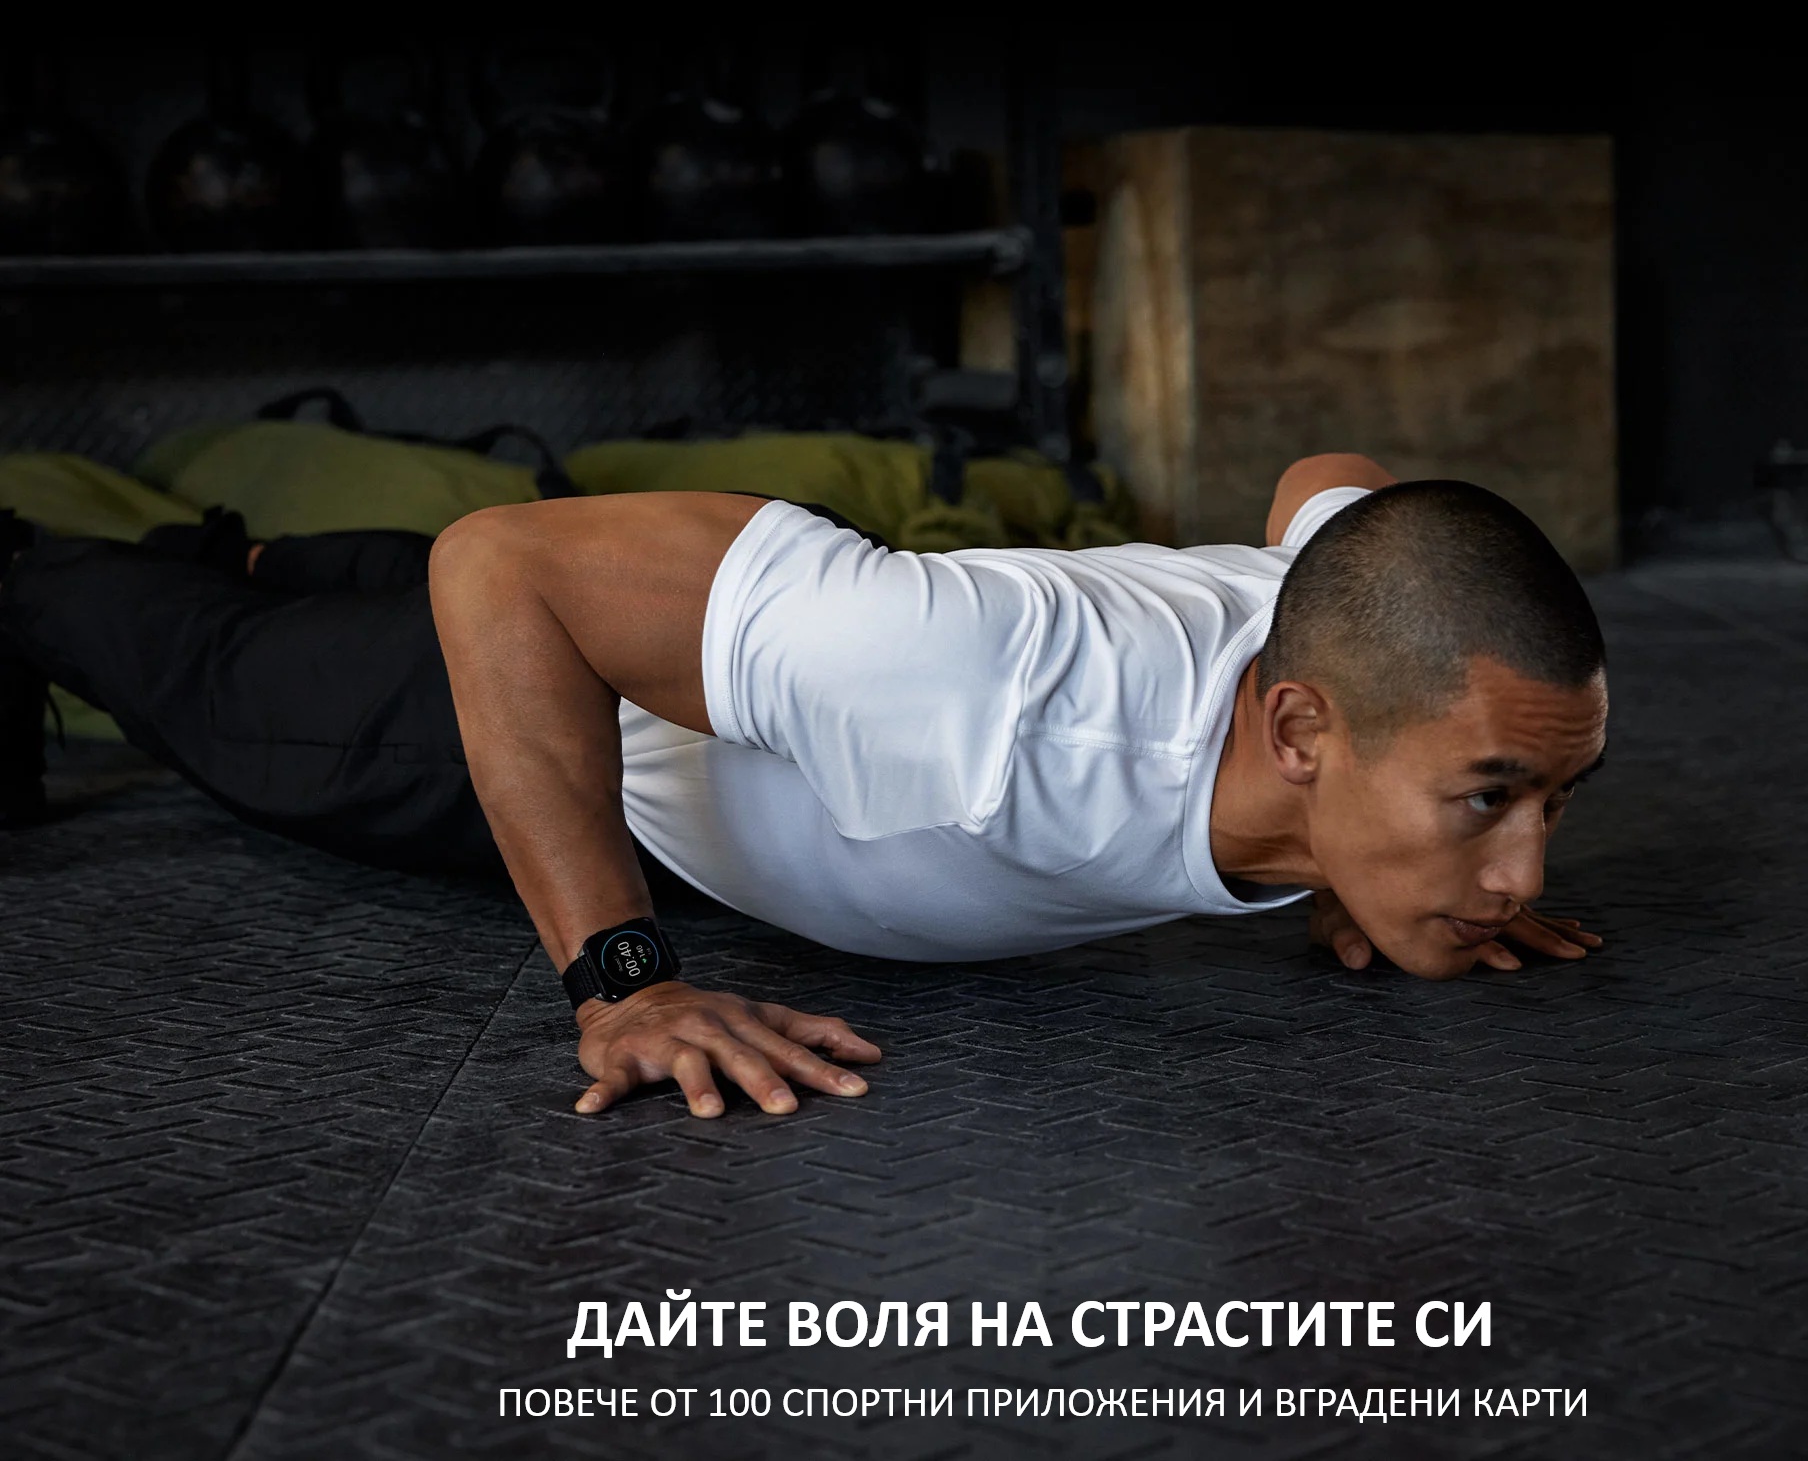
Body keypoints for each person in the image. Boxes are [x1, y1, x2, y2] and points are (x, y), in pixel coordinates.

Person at [0, 454, 1608, 1120]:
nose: (1526, 874)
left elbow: (1335, 491)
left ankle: (253, 556)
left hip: (763, 662)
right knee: (205, 675)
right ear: (1302, 728)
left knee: (304, 581)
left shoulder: (1363, 636)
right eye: (1486, 801)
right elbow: (501, 570)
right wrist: (623, 981)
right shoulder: (978, 696)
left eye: (1550, 800)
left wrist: (1367, 858)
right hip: (540, 729)